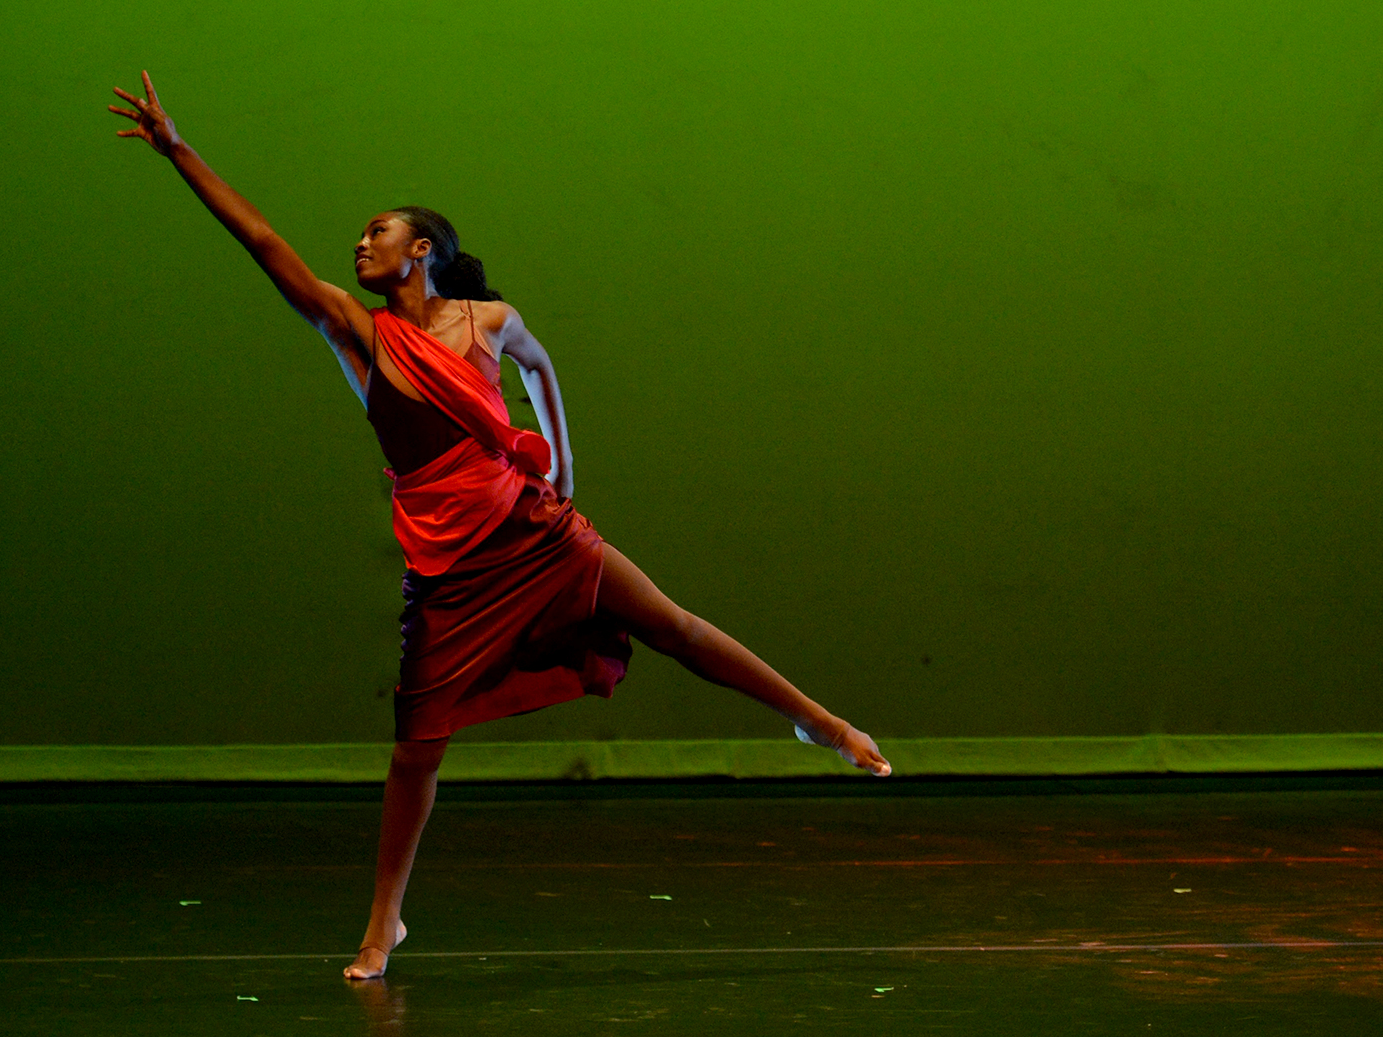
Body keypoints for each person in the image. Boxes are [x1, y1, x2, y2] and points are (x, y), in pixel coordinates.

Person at [109, 71, 893, 981]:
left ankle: (822, 725)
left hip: (532, 530)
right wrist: (178, 151)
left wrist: (560, 464)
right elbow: (261, 241)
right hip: (448, 567)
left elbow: (543, 369)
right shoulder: (358, 334)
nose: (360, 243)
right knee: (416, 750)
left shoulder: (489, 319)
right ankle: (383, 925)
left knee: (670, 624)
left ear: (423, 247)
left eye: (379, 231)